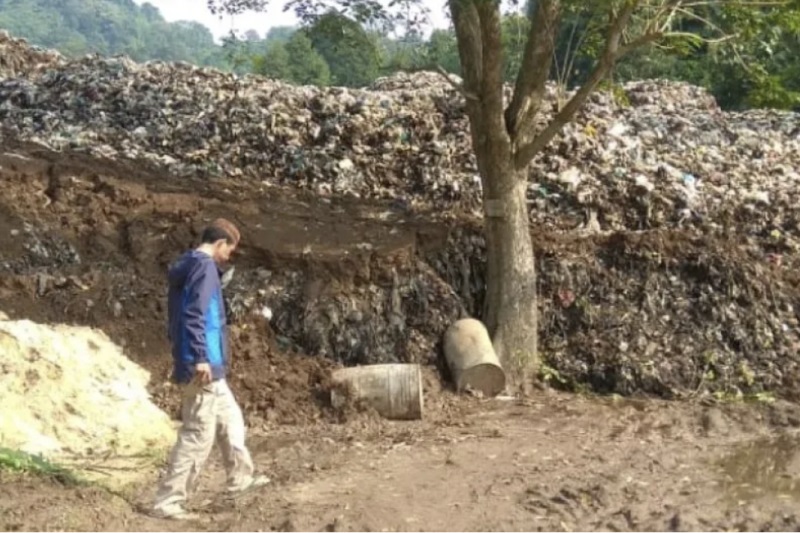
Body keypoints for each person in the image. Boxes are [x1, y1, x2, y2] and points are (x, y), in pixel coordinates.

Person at [152, 218, 268, 520]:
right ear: (219, 244)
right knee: (197, 433)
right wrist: (201, 356)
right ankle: (168, 501)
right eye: (229, 250)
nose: (229, 257)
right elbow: (195, 314)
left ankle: (240, 479)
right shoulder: (203, 269)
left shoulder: (192, 266)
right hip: (200, 365)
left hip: (209, 365)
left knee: (230, 419)